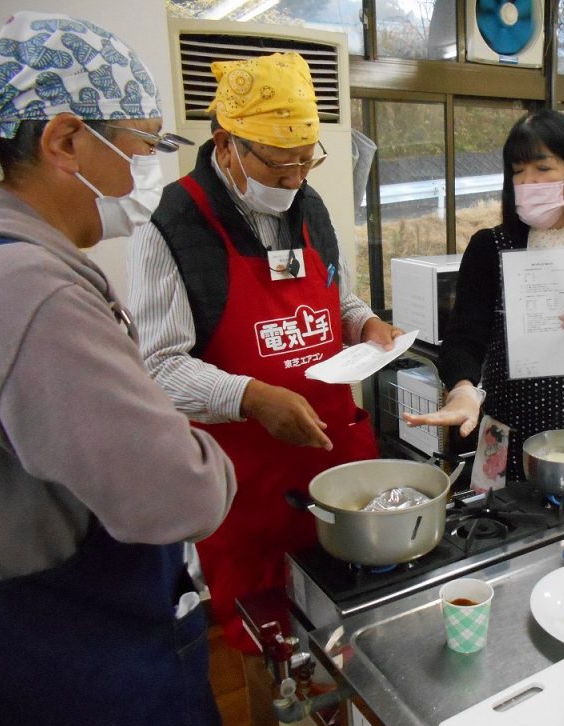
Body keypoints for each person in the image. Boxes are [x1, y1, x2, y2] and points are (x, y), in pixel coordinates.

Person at [0, 12, 236, 726]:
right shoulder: (29, 289)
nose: (143, 172)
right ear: (63, 142)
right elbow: (176, 492)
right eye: (140, 146)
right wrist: (209, 441)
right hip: (75, 659)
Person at [127, 51, 401, 655]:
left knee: (358, 628)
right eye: (280, 164)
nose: (295, 179)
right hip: (248, 482)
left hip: (336, 463)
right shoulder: (168, 226)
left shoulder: (311, 206)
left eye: (307, 161)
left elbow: (340, 300)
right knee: (274, 645)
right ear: (228, 145)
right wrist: (249, 397)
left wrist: (367, 325)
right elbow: (158, 368)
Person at [404, 109, 564, 481]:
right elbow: (463, 339)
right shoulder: (490, 246)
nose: (528, 182)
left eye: (543, 169)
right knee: (507, 534)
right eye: (517, 171)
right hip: (510, 433)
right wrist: (461, 387)